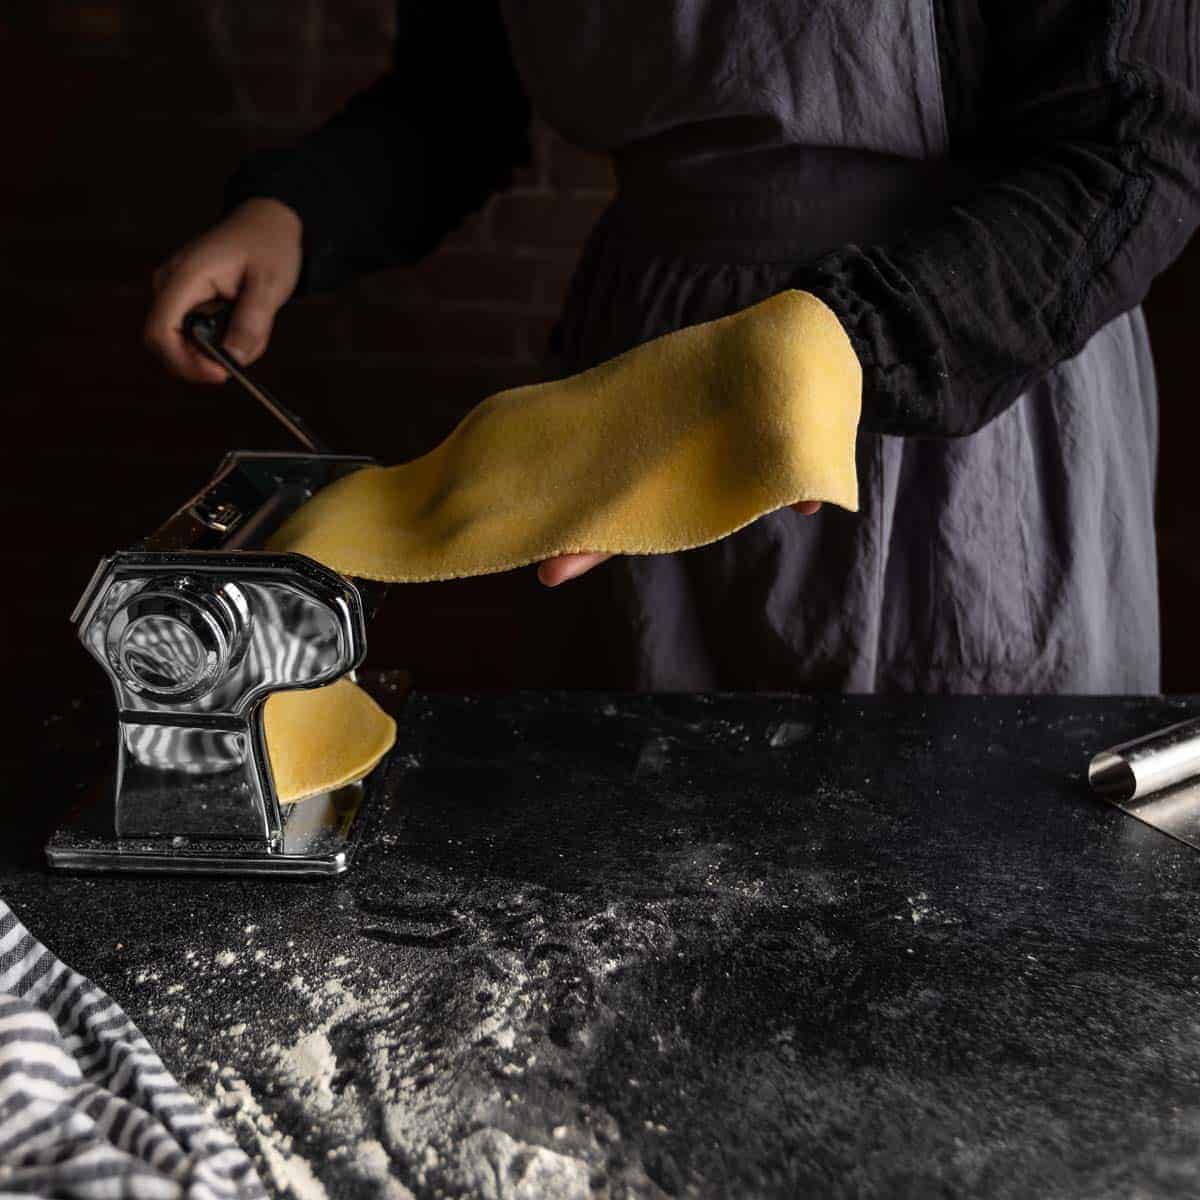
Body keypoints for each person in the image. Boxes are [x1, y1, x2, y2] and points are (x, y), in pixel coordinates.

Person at [145, 1, 1200, 694]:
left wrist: (828, 354)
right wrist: (300, 211)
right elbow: (462, 89)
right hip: (643, 396)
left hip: (965, 378)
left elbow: (1135, 148)